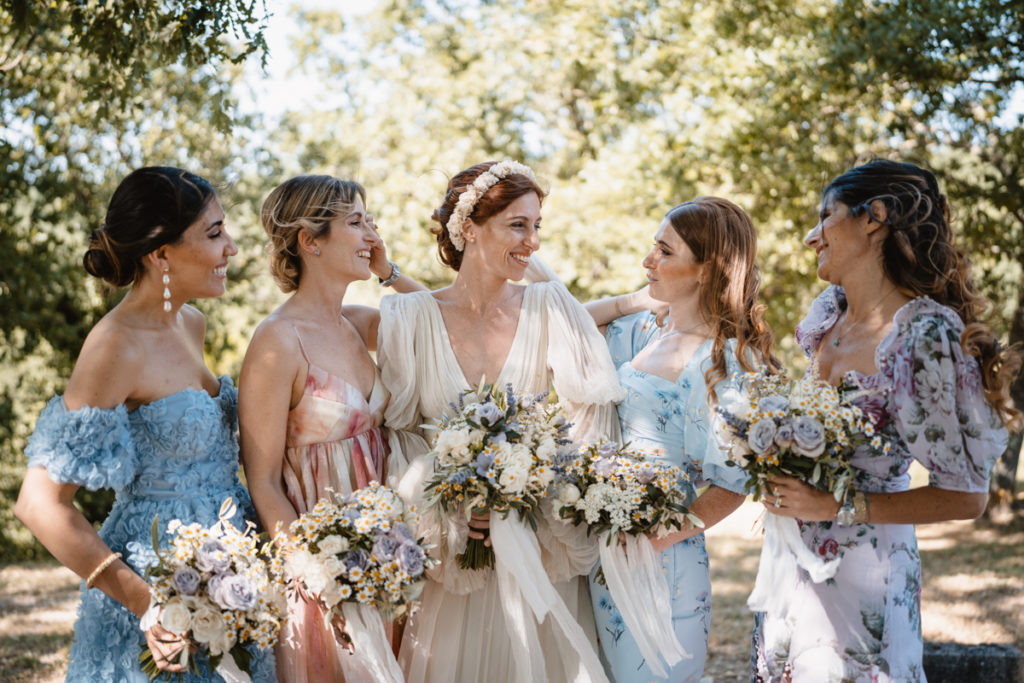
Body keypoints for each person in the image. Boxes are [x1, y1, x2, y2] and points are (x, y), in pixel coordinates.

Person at [752, 159, 1019, 681]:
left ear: (873, 218)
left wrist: (836, 504)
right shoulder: (828, 317)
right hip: (792, 566)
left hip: (865, 575)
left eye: (825, 216)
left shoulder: (922, 337)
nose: (812, 237)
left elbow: (967, 497)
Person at [14, 167, 276, 681]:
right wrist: (147, 603)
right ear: (161, 254)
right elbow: (38, 504)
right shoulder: (115, 344)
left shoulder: (192, 323)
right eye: (215, 233)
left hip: (234, 581)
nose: (233, 249)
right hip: (156, 591)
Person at [377, 160, 624, 682]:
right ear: (468, 227)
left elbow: (588, 427)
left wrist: (526, 499)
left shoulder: (550, 307)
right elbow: (398, 437)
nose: (532, 242)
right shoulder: (410, 318)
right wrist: (450, 509)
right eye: (518, 224)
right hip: (451, 563)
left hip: (539, 553)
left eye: (536, 226)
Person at [532, 197, 780, 681]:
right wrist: (633, 300)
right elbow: (566, 322)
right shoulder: (647, 329)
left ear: (707, 270)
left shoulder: (727, 363)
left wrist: (653, 539)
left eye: (665, 252)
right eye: (653, 248)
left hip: (663, 564)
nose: (648, 261)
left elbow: (732, 485)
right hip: (601, 555)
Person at [238, 174, 423, 682]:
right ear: (310, 240)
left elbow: (442, 327)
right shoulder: (276, 343)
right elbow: (263, 481)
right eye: (357, 223)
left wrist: (388, 270)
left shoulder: (358, 323)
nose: (373, 235)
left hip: (392, 563)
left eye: (371, 222)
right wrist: (321, 581)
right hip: (325, 574)